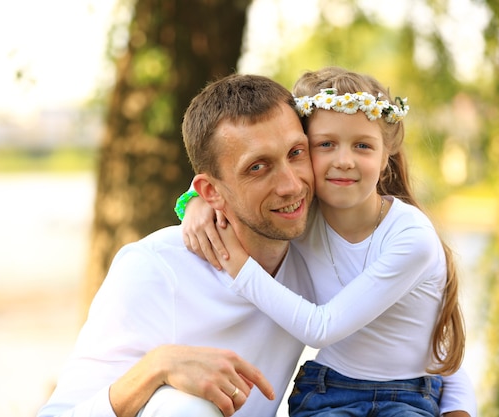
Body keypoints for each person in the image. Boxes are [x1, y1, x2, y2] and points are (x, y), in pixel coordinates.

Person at [37, 73, 474, 417]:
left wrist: (456, 408)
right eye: (258, 167)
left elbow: (419, 339)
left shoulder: (313, 247)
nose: (290, 185)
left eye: (297, 153)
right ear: (212, 191)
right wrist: (156, 368)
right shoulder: (153, 269)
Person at [180, 67, 473, 416]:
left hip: (407, 395)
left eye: (362, 146)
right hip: (328, 390)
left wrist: (237, 265)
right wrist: (194, 204)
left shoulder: (411, 238)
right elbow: (230, 185)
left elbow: (324, 329)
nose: (344, 161)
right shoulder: (299, 214)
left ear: (385, 158)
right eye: (325, 145)